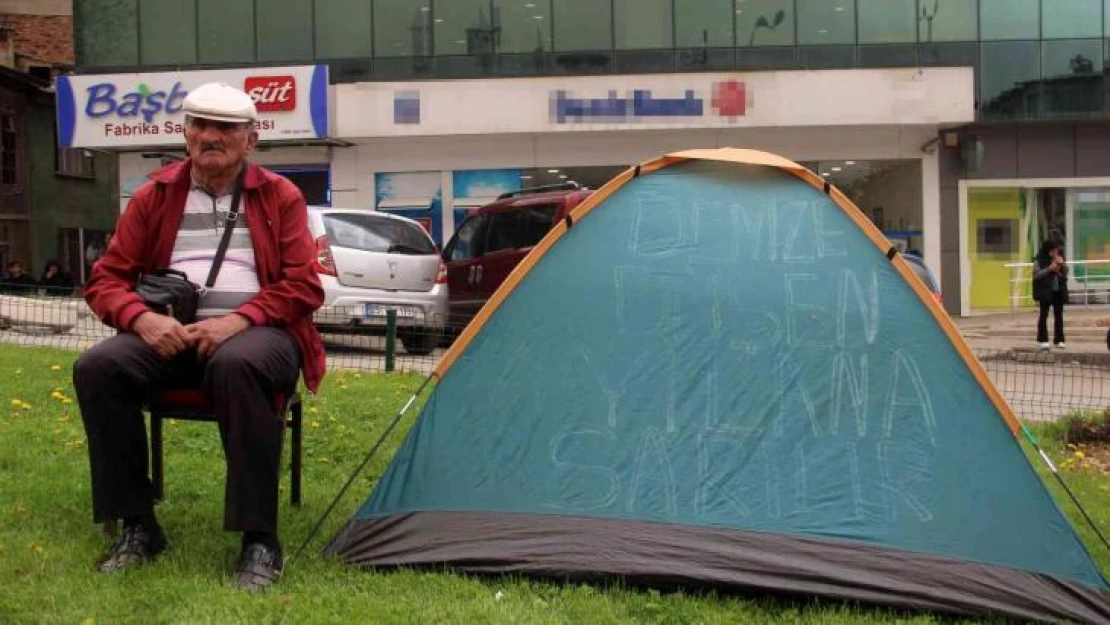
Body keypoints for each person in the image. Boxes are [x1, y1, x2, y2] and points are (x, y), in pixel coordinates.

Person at [73, 82, 326, 592]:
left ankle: (259, 539)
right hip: (172, 336)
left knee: (237, 363)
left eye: (225, 127)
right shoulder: (155, 195)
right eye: (200, 125)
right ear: (184, 133)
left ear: (250, 139)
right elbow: (105, 280)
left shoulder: (281, 195)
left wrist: (240, 319)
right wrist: (142, 319)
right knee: (97, 368)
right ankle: (138, 526)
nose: (211, 136)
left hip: (261, 335)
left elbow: (304, 284)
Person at [1032, 239, 1068, 350]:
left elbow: (1065, 273)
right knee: (1044, 315)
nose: (1055, 253)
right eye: (1053, 251)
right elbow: (1036, 275)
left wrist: (1061, 266)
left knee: (1059, 316)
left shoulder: (1059, 257)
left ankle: (1059, 339)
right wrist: (1049, 269)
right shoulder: (1039, 260)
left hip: (1058, 290)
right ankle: (1043, 339)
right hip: (1045, 291)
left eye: (1056, 250)